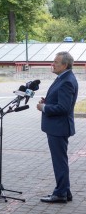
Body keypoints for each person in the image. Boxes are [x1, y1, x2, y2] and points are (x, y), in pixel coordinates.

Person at [36, 51, 78, 203]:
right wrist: (48, 101)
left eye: (56, 63)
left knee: (59, 161)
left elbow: (64, 108)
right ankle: (65, 191)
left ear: (65, 65)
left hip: (58, 128)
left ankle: (60, 193)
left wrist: (44, 108)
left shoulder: (67, 81)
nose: (52, 65)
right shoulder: (63, 77)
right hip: (57, 127)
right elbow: (59, 100)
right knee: (61, 160)